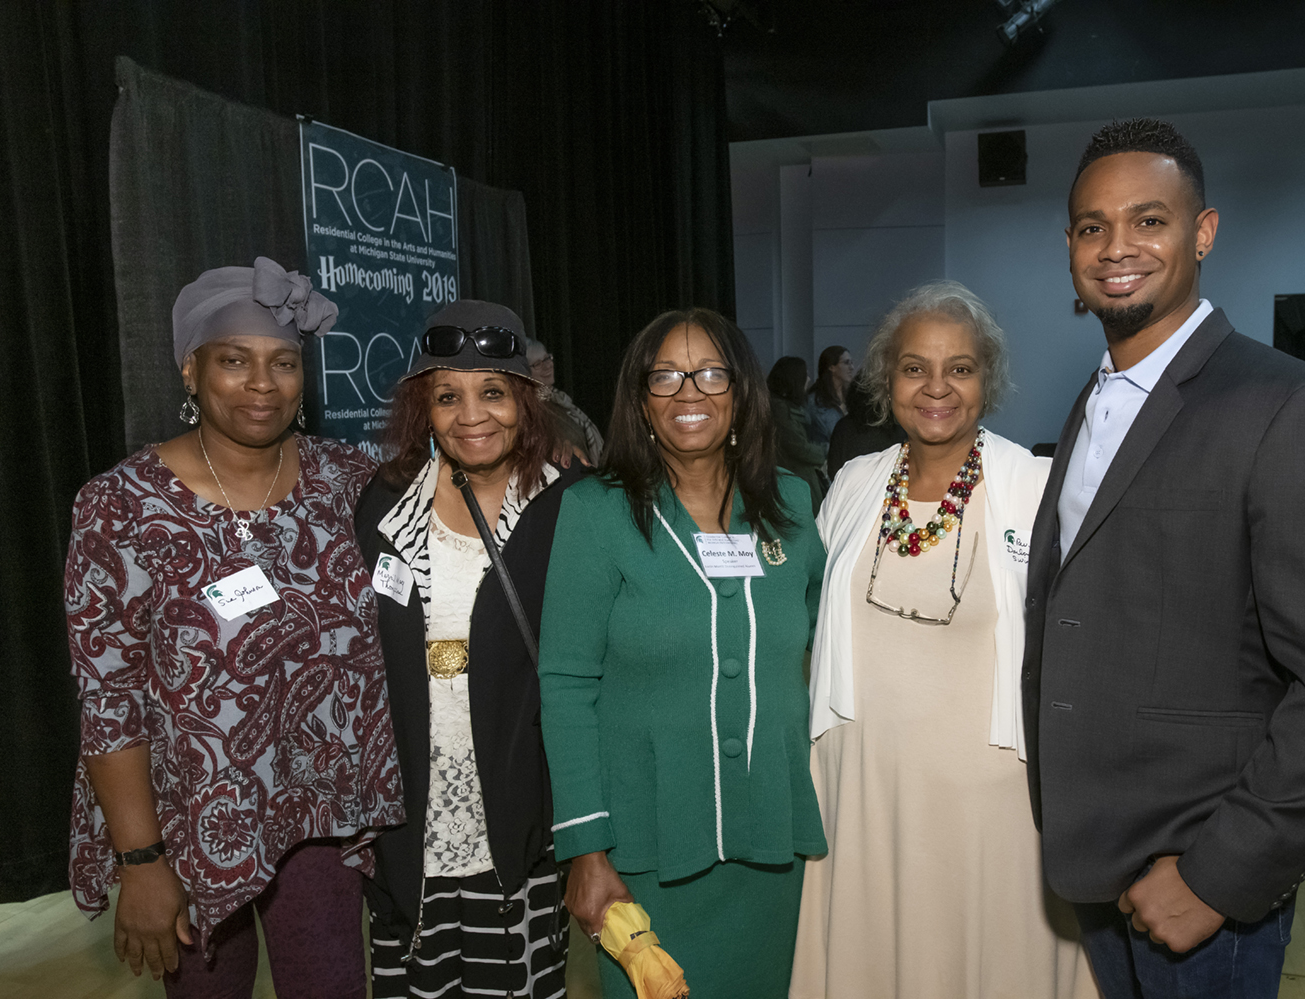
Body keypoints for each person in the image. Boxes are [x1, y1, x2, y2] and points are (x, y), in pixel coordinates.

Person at [1022, 118, 1305, 997]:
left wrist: (1217, 874)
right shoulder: (1091, 402)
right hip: (1098, 852)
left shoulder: (1294, 407)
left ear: (1202, 233)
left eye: (1148, 220)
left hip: (1200, 866)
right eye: (1092, 226)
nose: (1117, 246)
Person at [63, 257, 404, 998]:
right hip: (190, 826)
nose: (262, 383)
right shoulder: (118, 507)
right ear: (191, 369)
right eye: (234, 360)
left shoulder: (348, 481)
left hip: (321, 814)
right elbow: (107, 694)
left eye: (283, 362)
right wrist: (140, 859)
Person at [791, 280, 1097, 999]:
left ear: (987, 379)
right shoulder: (854, 483)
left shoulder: (1037, 487)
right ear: (885, 377)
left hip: (990, 808)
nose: (937, 386)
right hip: (863, 791)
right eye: (914, 367)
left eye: (960, 367)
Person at [538, 307, 828, 999]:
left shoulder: (791, 501)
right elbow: (565, 682)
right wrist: (585, 847)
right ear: (639, 401)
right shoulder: (596, 512)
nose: (688, 391)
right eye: (664, 375)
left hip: (772, 842)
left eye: (709, 373)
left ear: (741, 392)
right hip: (647, 847)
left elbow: (817, 650)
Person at [354, 301, 580, 997]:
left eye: (493, 392)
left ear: (526, 400)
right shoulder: (382, 508)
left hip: (521, 829)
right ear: (425, 408)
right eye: (448, 395)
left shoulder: (570, 507)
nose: (471, 415)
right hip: (410, 835)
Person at [768, 355, 829, 513]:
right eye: (805, 375)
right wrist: (823, 451)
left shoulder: (781, 406)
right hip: (794, 480)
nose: (808, 379)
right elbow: (798, 447)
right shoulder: (780, 410)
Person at [527, 336, 605, 460]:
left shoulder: (560, 400)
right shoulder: (532, 412)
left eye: (547, 358)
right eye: (537, 364)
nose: (547, 366)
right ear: (525, 373)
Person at [826, 370, 906, 479]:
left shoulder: (843, 426)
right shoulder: (898, 427)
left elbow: (833, 470)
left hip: (850, 490)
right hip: (890, 490)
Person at [806, 345, 855, 446]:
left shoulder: (852, 396)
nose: (851, 367)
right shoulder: (815, 400)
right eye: (846, 363)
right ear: (831, 367)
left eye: (851, 362)